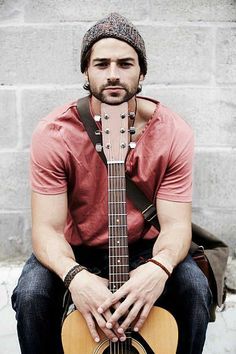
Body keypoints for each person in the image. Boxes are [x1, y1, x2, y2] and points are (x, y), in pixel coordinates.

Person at [12, 13, 212, 354]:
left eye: (126, 63)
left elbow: (176, 226)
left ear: (142, 72)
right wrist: (75, 276)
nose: (114, 74)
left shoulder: (173, 132)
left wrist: (159, 268)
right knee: (32, 294)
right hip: (75, 248)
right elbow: (46, 230)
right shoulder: (54, 133)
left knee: (195, 288)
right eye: (101, 64)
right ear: (85, 72)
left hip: (145, 247)